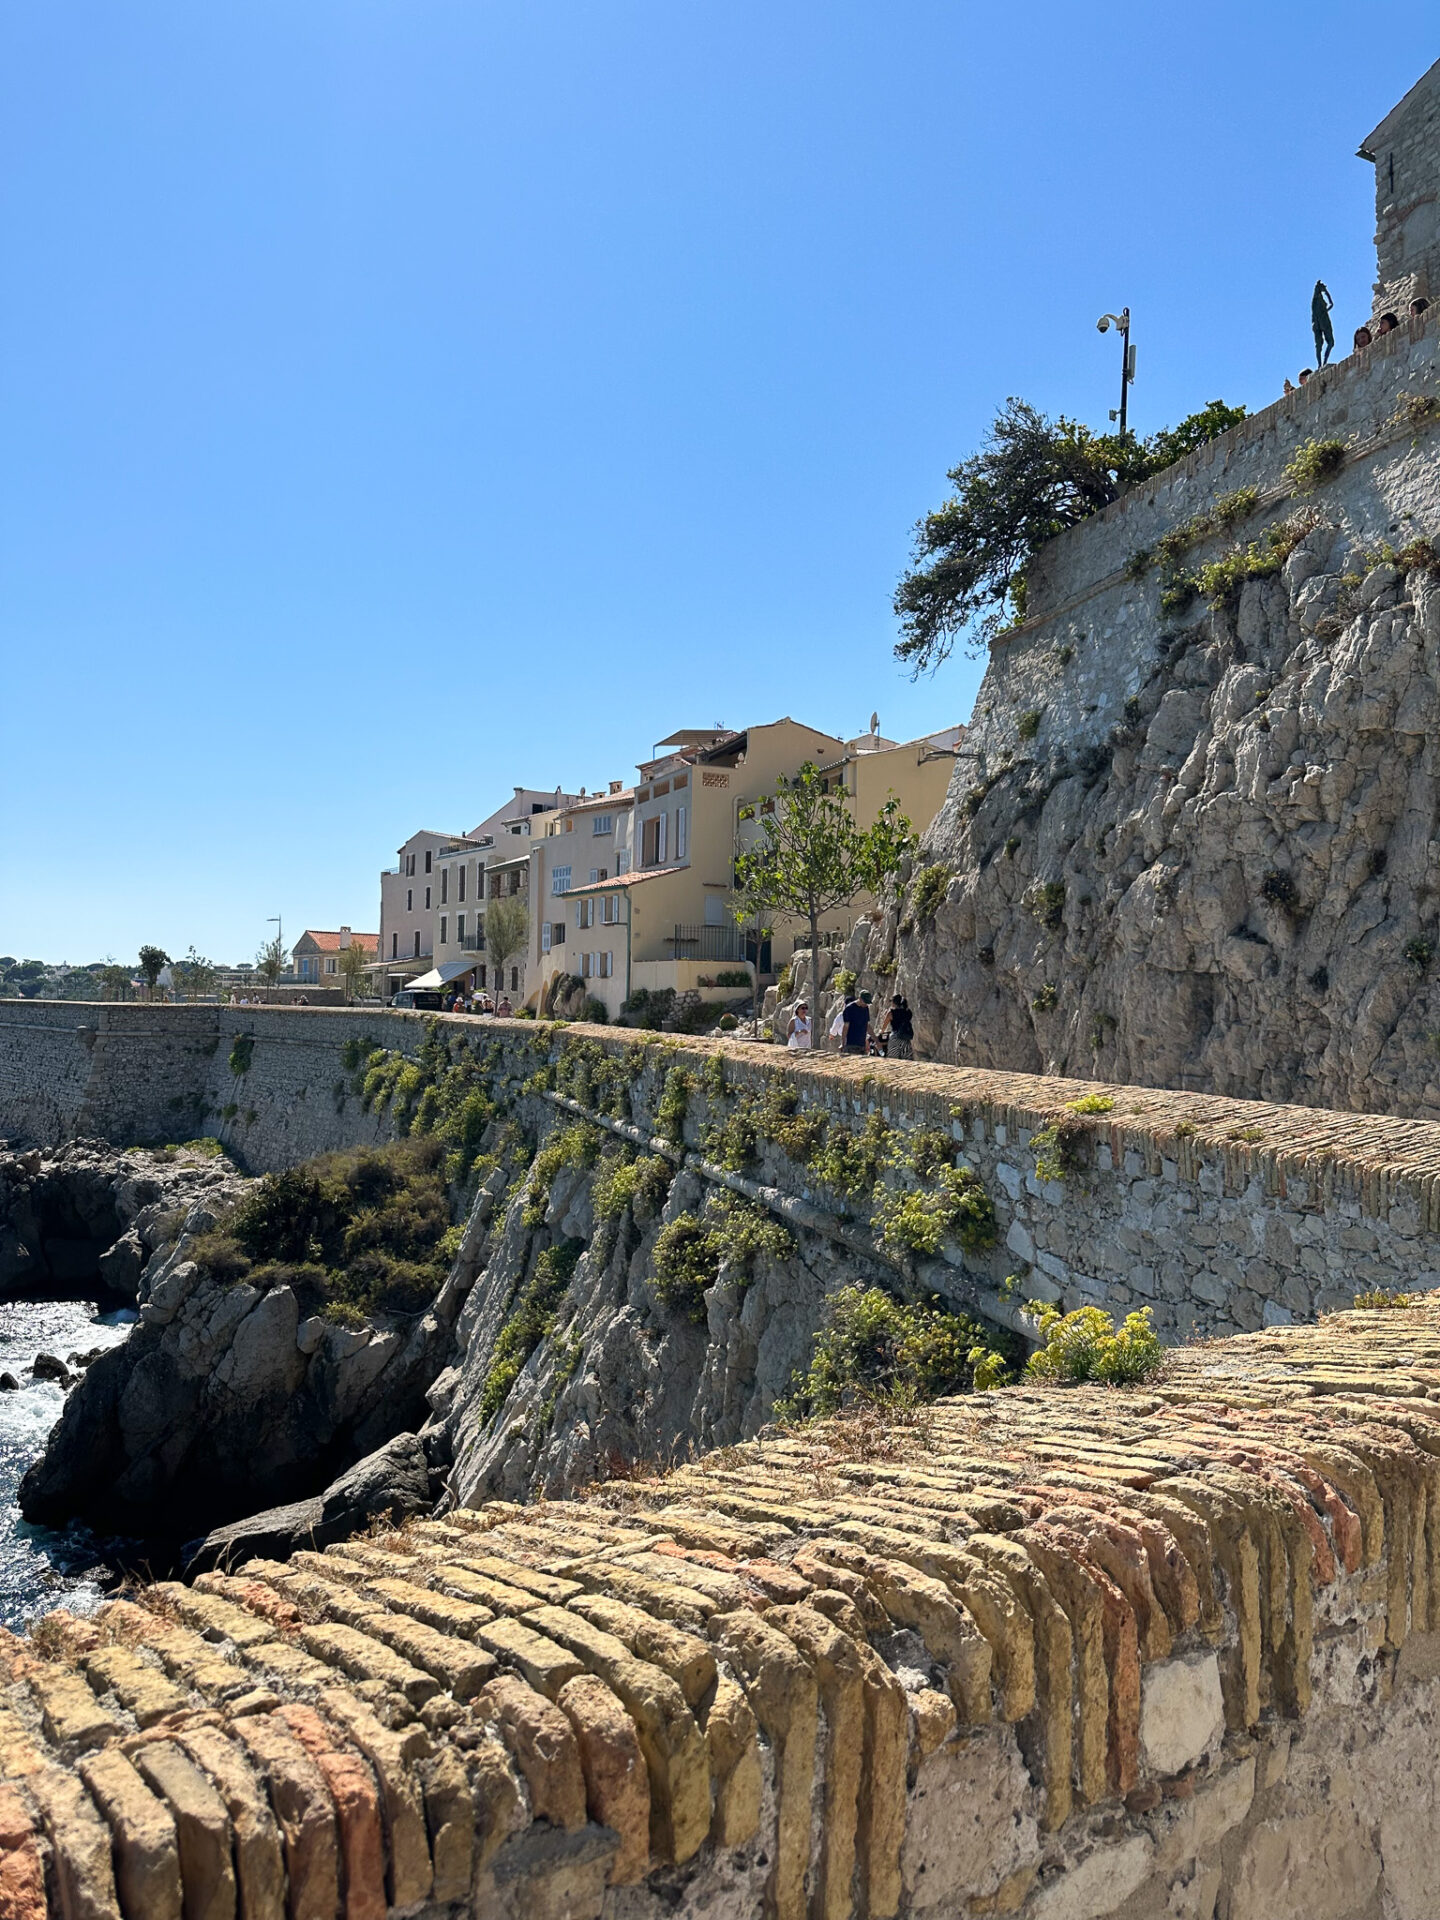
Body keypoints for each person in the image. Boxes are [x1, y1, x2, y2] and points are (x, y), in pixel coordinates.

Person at [839, 990, 869, 1055]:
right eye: (865, 1002)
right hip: (851, 1044)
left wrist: (867, 1041)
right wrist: (843, 1043)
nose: (866, 1004)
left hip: (862, 1044)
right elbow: (846, 1027)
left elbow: (866, 1026)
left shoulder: (866, 1008)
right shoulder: (849, 1008)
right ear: (860, 999)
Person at [1311, 280, 1334, 367]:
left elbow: (1331, 303)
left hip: (1317, 323)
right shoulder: (1317, 299)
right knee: (1328, 343)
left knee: (1321, 344)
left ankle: (1322, 363)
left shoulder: (1316, 299)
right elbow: (1331, 303)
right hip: (1322, 321)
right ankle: (1321, 363)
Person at [886, 994, 915, 1060]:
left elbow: (884, 1025)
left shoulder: (891, 1012)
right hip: (906, 1038)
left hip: (895, 1038)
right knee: (907, 1061)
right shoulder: (908, 1012)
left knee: (893, 1060)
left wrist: (881, 1032)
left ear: (894, 1003)